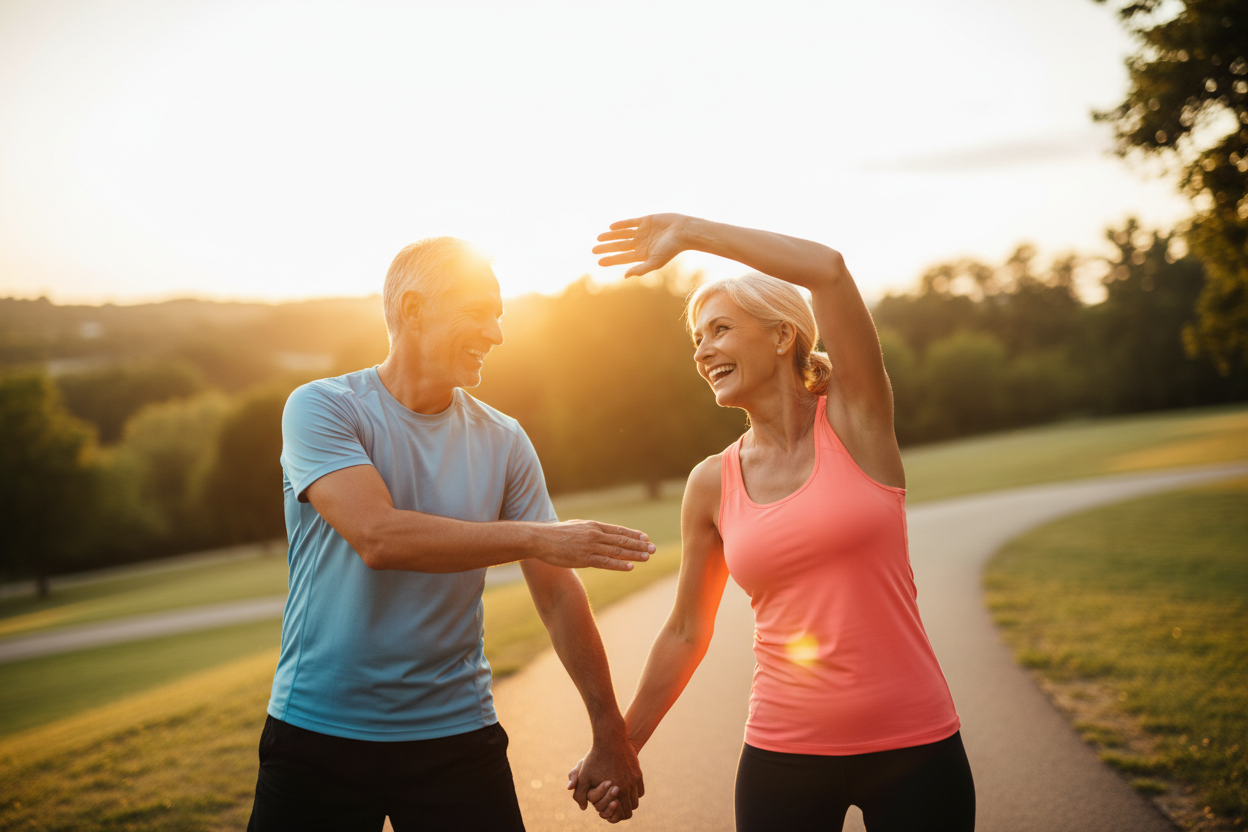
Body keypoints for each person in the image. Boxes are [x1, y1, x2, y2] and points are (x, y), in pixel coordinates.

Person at [569, 215, 976, 830]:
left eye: (721, 329)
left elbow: (830, 271)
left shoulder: (857, 424)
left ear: (783, 335)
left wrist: (689, 233)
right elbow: (685, 631)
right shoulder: (711, 483)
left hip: (915, 744)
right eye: (698, 338)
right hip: (784, 753)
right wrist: (621, 746)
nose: (704, 350)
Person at [247, 237, 650, 831]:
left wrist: (609, 731)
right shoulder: (322, 408)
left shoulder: (504, 439)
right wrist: (537, 538)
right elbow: (379, 537)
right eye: (479, 311)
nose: (496, 334)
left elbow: (558, 594)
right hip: (318, 735)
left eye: (501, 316)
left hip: (456, 736)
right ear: (412, 310)